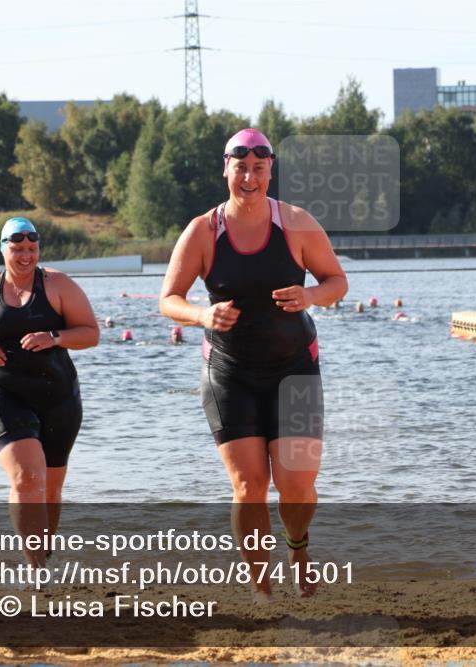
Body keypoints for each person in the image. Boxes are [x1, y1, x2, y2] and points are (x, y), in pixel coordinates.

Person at [160, 128, 348, 601]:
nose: (248, 177)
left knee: (297, 487)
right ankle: (261, 588)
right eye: (239, 168)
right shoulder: (203, 231)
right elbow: (169, 299)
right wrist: (203, 314)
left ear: (270, 171)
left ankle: (299, 550)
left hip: (296, 369)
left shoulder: (297, 223)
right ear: (226, 169)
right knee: (248, 486)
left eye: (258, 169)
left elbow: (337, 282)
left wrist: (310, 294)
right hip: (230, 373)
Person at [0, 217, 99, 568]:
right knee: (27, 477)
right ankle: (37, 571)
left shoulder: (58, 285)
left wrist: (55, 337)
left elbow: (91, 333)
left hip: (57, 394)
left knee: (50, 490)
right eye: (17, 249)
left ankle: (43, 556)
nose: (26, 256)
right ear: (3, 249)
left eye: (32, 248)